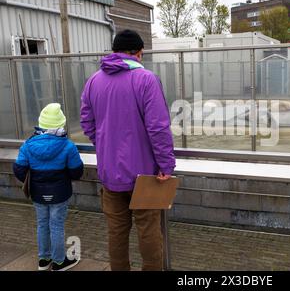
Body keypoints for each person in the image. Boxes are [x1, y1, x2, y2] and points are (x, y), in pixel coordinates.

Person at [80, 29, 176, 271]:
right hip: (145, 175)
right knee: (149, 230)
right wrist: (166, 165)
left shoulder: (94, 81)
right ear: (139, 53)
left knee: (117, 232)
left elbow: (87, 122)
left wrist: (104, 145)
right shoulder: (146, 80)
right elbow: (158, 128)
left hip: (110, 174)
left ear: (114, 52)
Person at [13, 103, 84, 271]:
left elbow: (18, 169)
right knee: (56, 225)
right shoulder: (68, 146)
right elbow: (77, 172)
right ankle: (59, 262)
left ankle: (44, 260)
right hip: (60, 194)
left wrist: (33, 182)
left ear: (41, 123)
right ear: (60, 124)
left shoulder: (28, 145)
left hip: (38, 194)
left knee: (42, 224)